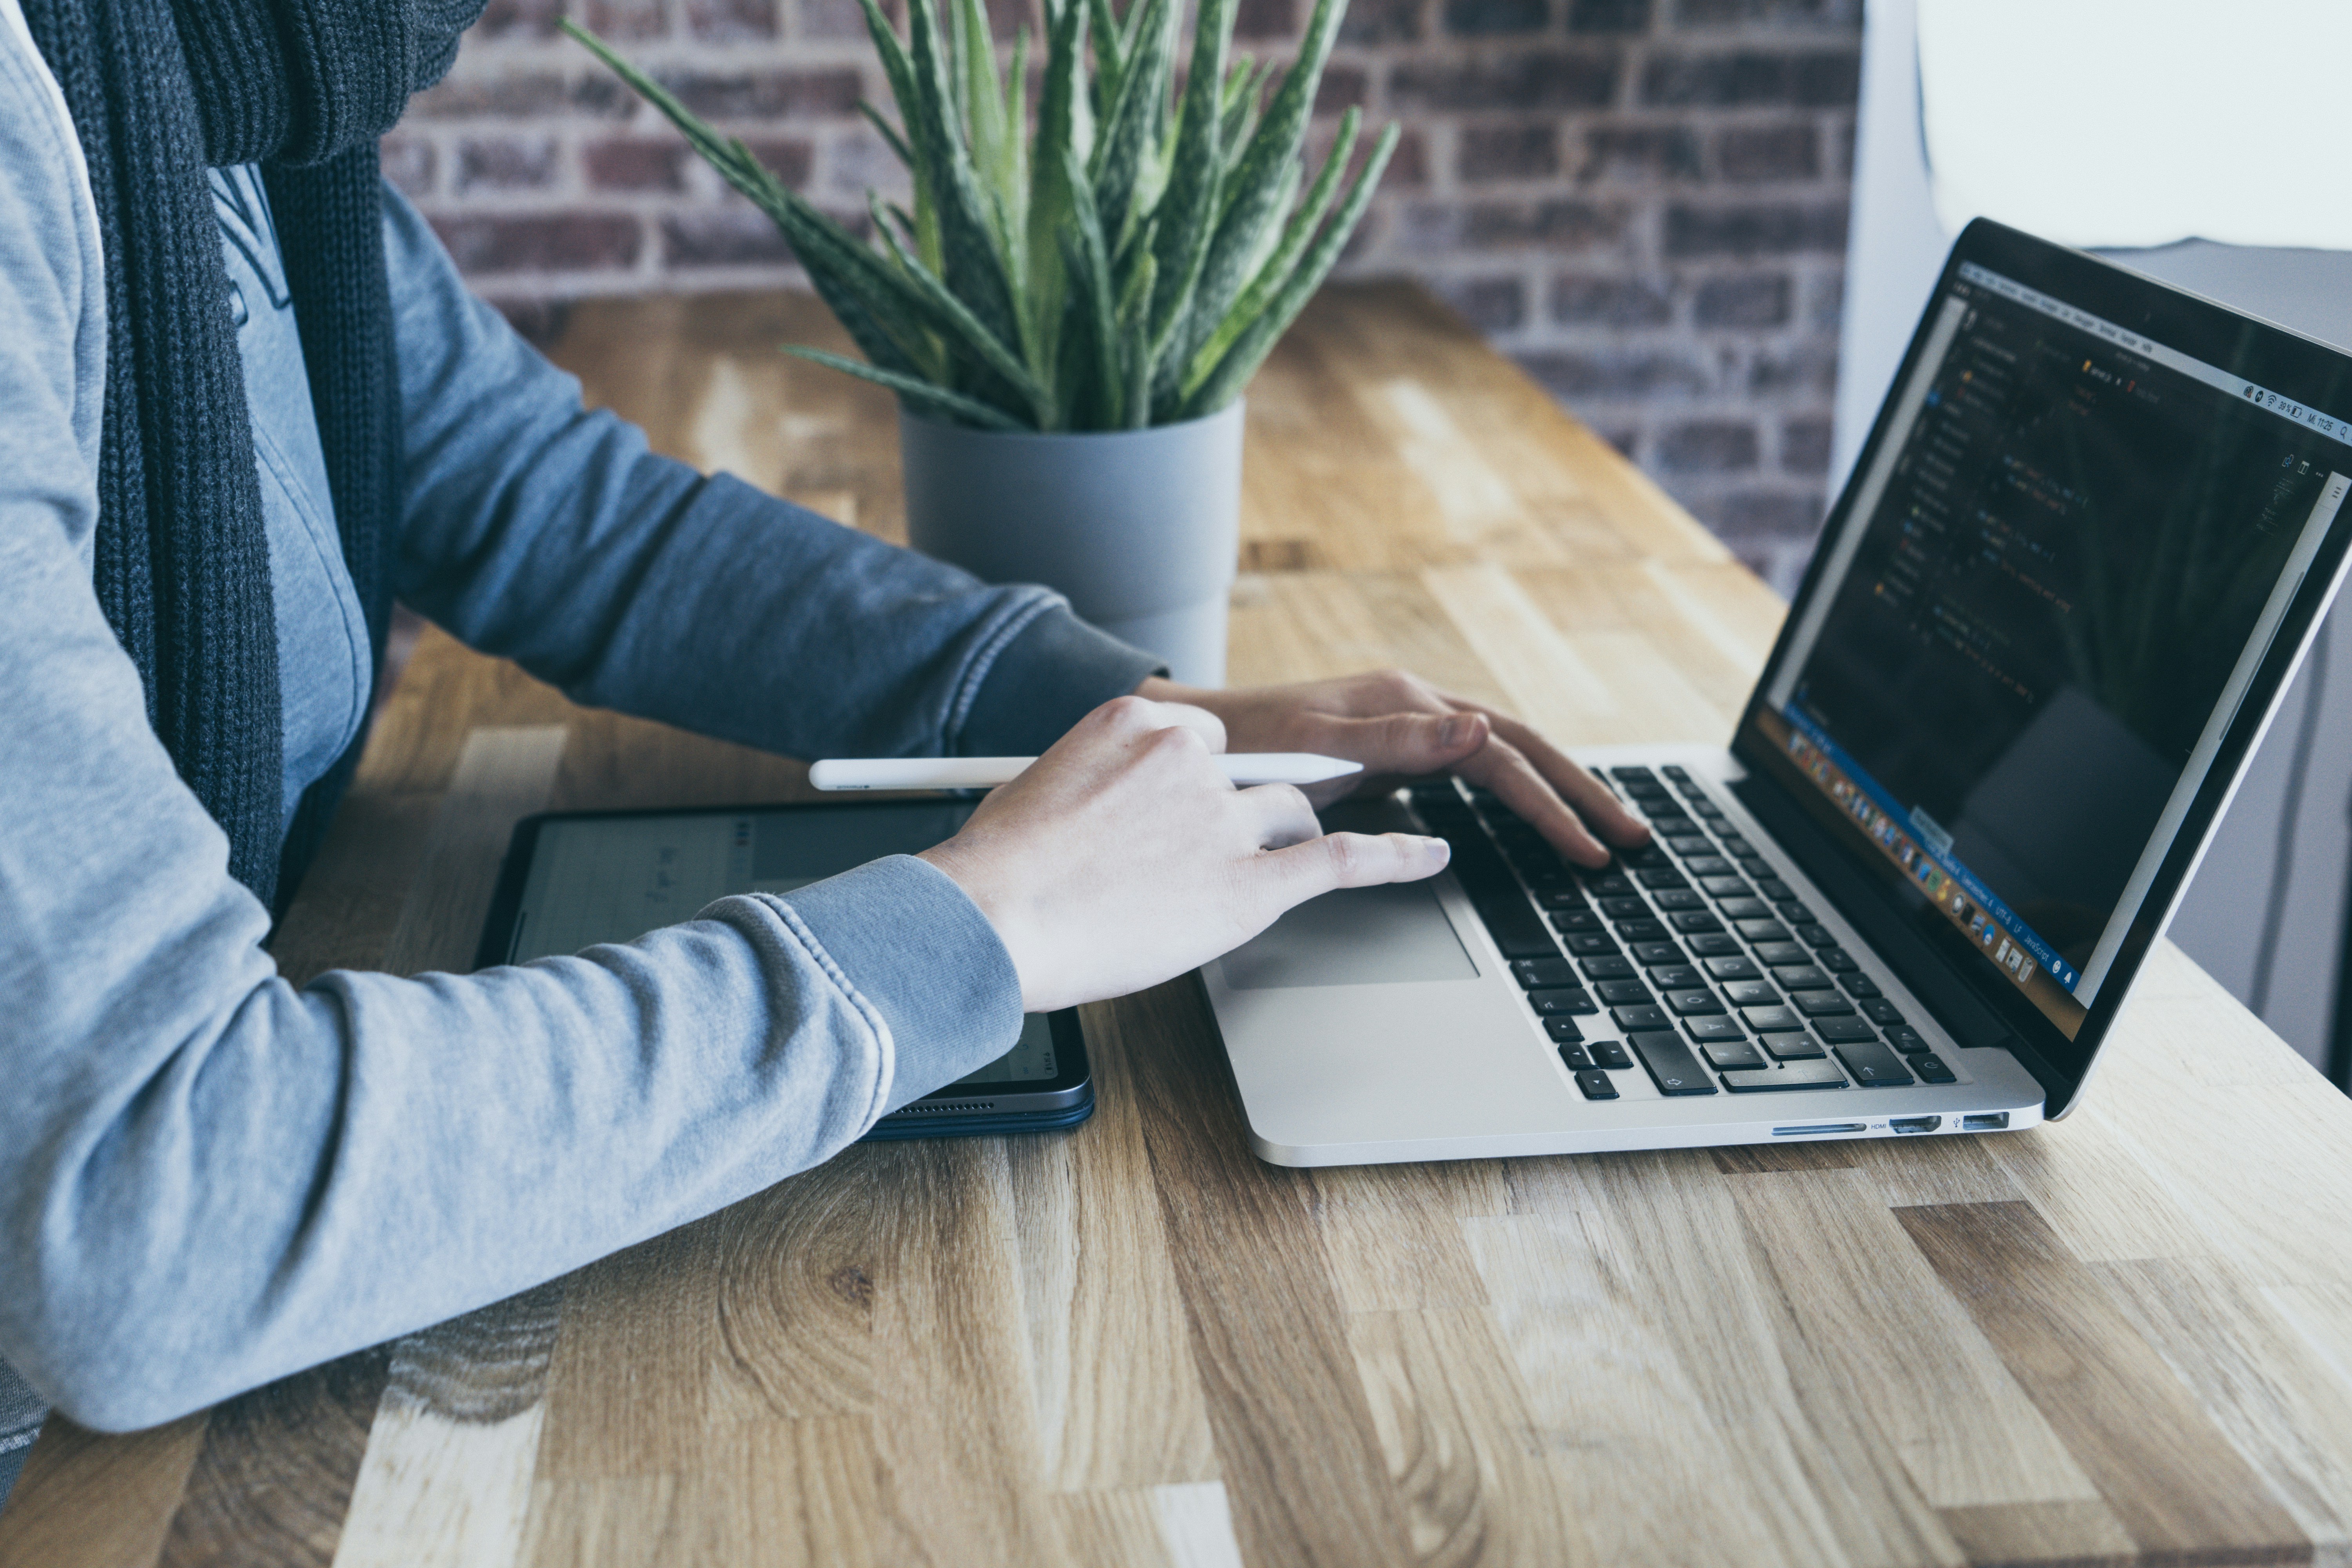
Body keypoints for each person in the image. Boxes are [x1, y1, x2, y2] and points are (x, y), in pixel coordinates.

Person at [0, 0, 1648, 1463]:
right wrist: (985, 925)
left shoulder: (221, 71)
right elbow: (152, 1215)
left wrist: (1125, 713)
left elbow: (544, 499)